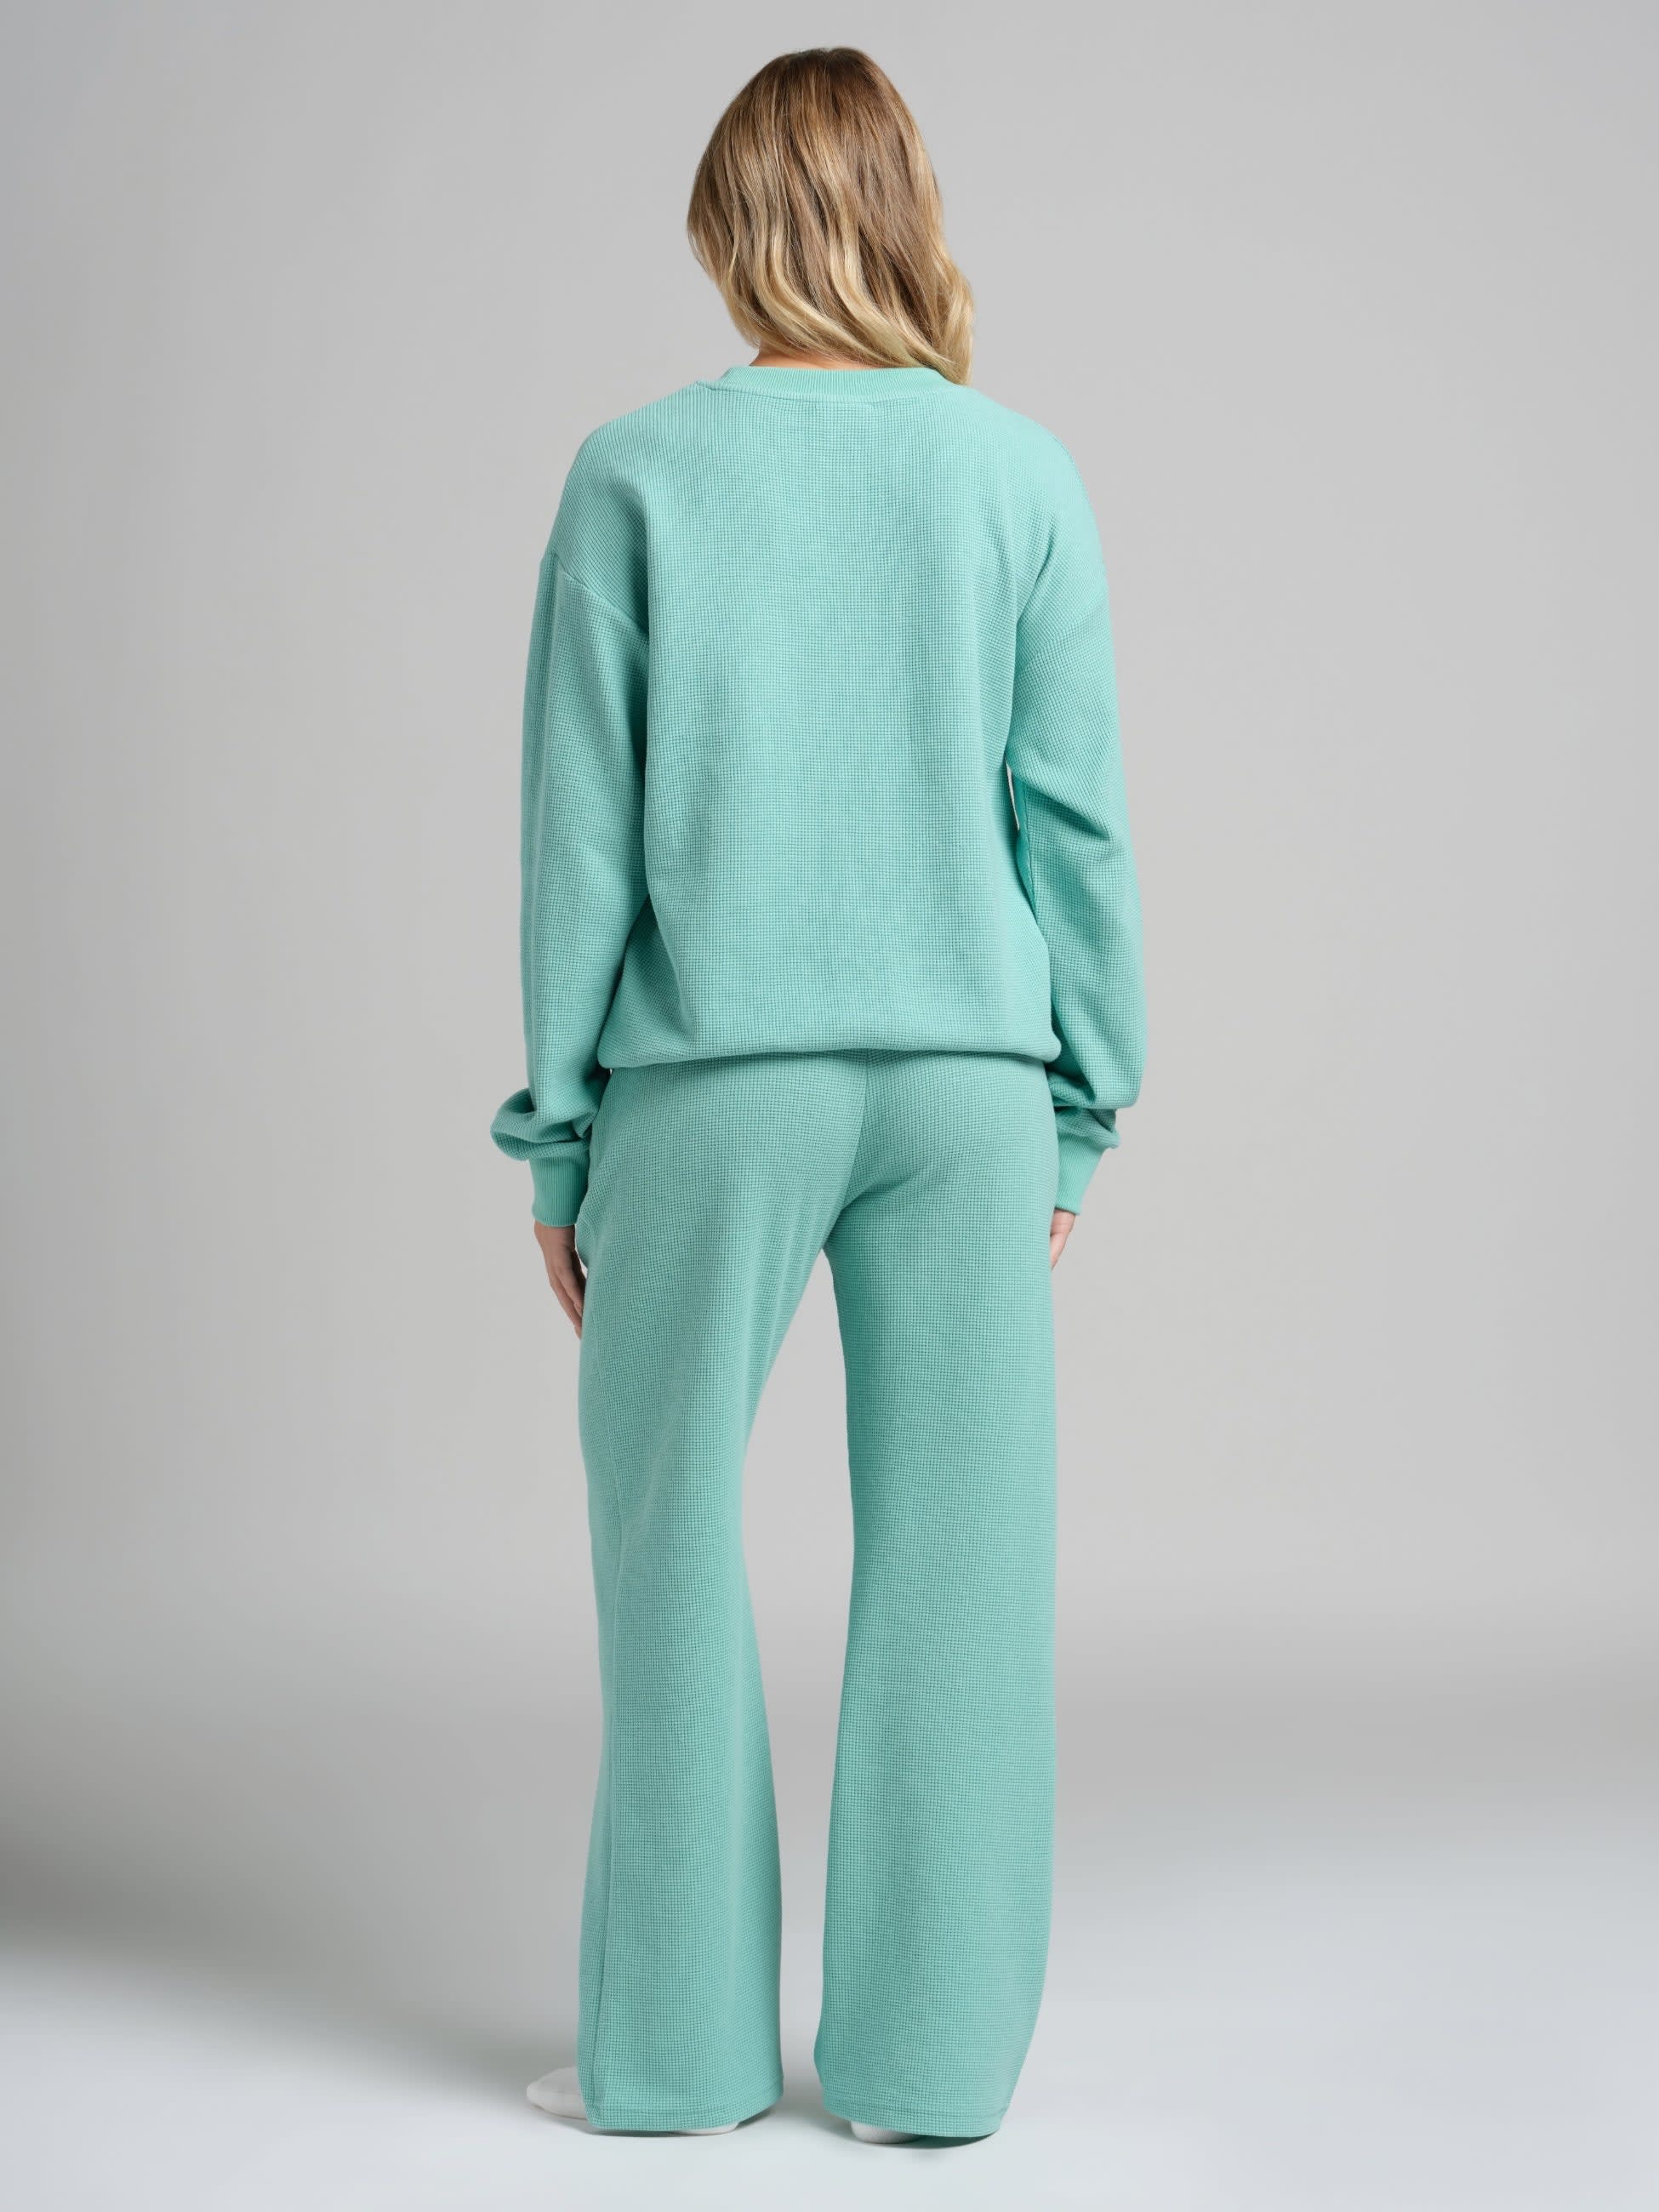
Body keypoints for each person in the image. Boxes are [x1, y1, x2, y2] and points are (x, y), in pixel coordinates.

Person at [490, 45, 1146, 2146]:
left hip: (712, 1085)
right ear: (902, 211)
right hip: (967, 1086)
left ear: (732, 226)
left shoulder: (635, 474)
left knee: (669, 1536)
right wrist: (1081, 1104)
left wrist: (562, 1136)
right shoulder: (1018, 474)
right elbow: (1076, 827)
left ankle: (676, 2059)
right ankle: (930, 2068)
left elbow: (579, 836)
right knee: (964, 1564)